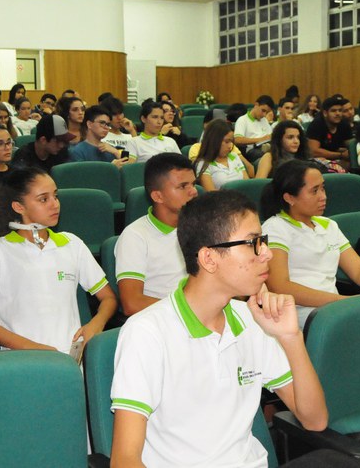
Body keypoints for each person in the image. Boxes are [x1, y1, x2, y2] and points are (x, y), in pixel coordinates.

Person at [110, 190, 328, 468]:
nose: (267, 253)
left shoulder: (252, 321)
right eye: (253, 243)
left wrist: (291, 337)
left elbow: (315, 420)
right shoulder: (147, 332)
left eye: (263, 241)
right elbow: (124, 460)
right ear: (209, 258)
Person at [0, 167, 117, 352]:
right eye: (43, 199)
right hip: (26, 359)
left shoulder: (72, 243)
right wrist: (34, 348)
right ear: (19, 207)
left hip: (72, 358)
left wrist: (96, 323)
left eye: (55, 196)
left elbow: (108, 298)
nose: (55, 204)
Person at [261, 159, 360, 327]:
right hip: (299, 314)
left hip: (334, 307)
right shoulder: (275, 228)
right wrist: (347, 301)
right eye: (314, 191)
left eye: (323, 188)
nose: (323, 197)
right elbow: (279, 286)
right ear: (289, 198)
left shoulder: (329, 225)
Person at [115, 153, 198, 315]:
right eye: (183, 186)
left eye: (193, 184)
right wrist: (191, 309)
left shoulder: (203, 225)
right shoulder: (135, 236)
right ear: (157, 196)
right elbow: (132, 303)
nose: (193, 191)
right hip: (166, 319)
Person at [195, 121, 253, 191]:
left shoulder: (235, 157)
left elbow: (247, 185)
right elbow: (211, 194)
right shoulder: (203, 164)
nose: (230, 146)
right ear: (214, 140)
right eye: (227, 142)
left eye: (231, 142)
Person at [306, 96, 353, 168]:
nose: (338, 113)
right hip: (317, 161)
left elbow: (351, 145)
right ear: (325, 113)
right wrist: (340, 155)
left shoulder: (344, 124)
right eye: (333, 111)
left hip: (337, 159)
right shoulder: (317, 124)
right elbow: (314, 152)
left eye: (340, 110)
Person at [233, 95, 275, 162]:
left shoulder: (264, 120)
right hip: (252, 151)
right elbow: (237, 140)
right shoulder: (242, 120)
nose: (264, 115)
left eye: (267, 112)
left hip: (267, 146)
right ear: (256, 105)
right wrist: (261, 139)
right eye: (263, 110)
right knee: (267, 155)